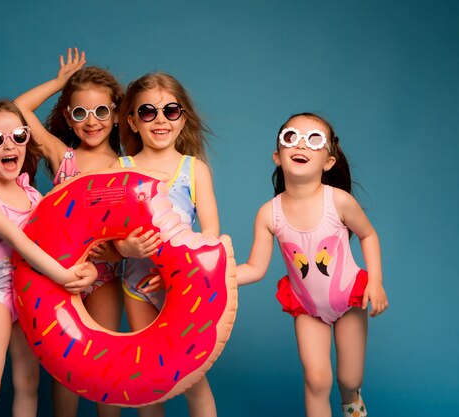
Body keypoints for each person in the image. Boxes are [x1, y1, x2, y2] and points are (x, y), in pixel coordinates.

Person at [15, 49, 159, 417]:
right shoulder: (63, 156)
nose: (91, 121)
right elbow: (18, 110)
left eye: (101, 111)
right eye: (80, 112)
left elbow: (139, 230)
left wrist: (116, 253)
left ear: (116, 113)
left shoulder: (127, 166)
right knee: (66, 369)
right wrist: (61, 83)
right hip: (58, 275)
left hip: (106, 274)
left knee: (101, 362)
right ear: (68, 116)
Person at [0, 99, 97, 417]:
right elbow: (21, 242)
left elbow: (59, 240)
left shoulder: (31, 194)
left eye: (18, 135)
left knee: (29, 382)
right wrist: (66, 277)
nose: (10, 144)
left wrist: (88, 272)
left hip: (29, 292)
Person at [236, 112, 389, 417]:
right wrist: (210, 275)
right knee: (317, 380)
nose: (301, 145)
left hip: (349, 300)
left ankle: (352, 401)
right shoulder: (269, 214)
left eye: (313, 140)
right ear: (278, 156)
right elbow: (255, 267)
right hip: (307, 308)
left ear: (328, 162)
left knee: (349, 378)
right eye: (291, 137)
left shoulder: (339, 201)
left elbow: (368, 234)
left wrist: (375, 281)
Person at [113, 72, 219, 417]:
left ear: (182, 117)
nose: (160, 120)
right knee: (150, 379)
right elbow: (107, 235)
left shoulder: (194, 169)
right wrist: (124, 249)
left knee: (193, 377)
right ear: (132, 121)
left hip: (184, 288)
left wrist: (179, 273)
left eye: (170, 111)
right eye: (148, 112)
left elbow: (210, 239)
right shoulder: (121, 168)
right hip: (136, 285)